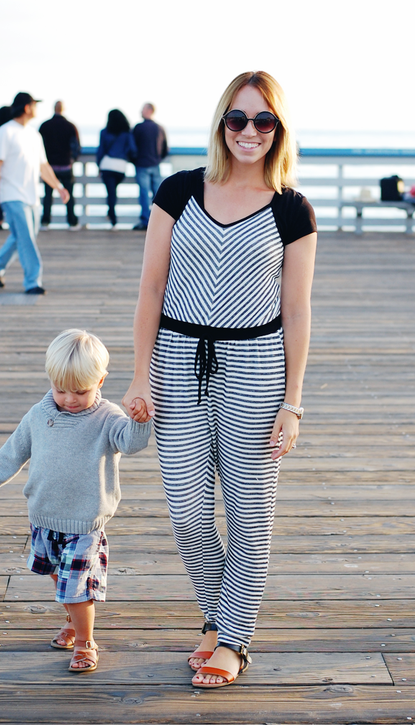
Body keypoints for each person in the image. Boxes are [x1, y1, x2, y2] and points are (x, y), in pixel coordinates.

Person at [122, 71, 317, 688]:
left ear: (278, 130)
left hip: (257, 368)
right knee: (186, 509)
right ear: (220, 124)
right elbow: (151, 288)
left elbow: (297, 309)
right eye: (238, 119)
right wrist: (139, 376)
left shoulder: (292, 208)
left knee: (248, 512)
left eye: (264, 121)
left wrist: (293, 402)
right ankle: (216, 615)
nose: (250, 132)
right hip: (177, 360)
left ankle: (233, 637)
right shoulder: (179, 191)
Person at [0, 329, 151, 673]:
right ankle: (72, 621)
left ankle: (85, 642)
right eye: (60, 389)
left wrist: (140, 422)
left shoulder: (107, 417)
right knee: (57, 575)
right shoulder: (39, 414)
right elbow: (13, 453)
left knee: (74, 587)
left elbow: (130, 443)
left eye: (80, 391)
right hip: (44, 518)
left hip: (84, 524)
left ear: (101, 380)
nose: (68, 399)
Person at [0, 92, 70, 295]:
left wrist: (58, 186)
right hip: (11, 195)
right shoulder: (4, 133)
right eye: (34, 105)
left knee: (22, 236)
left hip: (32, 196)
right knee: (27, 239)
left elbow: (43, 166)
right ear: (26, 107)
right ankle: (33, 282)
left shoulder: (34, 134)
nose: (37, 108)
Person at [39, 101, 81, 231]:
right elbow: (76, 146)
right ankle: (72, 222)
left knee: (48, 195)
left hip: (49, 167)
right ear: (64, 109)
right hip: (65, 166)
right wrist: (72, 159)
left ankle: (45, 221)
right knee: (68, 194)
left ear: (54, 109)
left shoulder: (45, 126)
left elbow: (40, 147)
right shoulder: (70, 126)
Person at [96, 109, 137, 228]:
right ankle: (111, 214)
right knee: (113, 192)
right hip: (120, 167)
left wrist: (98, 166)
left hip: (107, 166)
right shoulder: (127, 133)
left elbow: (101, 151)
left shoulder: (104, 132)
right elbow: (133, 150)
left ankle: (113, 220)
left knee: (111, 193)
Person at [132, 103, 168, 230]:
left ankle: (145, 221)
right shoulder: (159, 128)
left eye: (142, 109)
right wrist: (158, 159)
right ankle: (159, 223)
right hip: (155, 164)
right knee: (158, 195)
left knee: (144, 194)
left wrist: (134, 160)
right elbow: (165, 148)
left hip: (141, 164)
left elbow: (132, 147)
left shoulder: (138, 128)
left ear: (149, 111)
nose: (140, 112)